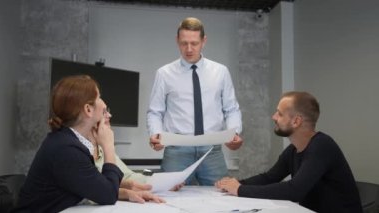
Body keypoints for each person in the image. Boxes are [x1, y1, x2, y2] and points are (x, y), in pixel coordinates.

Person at [215, 91, 363, 213]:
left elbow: (294, 190)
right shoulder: (294, 149)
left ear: (296, 121)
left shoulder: (322, 146)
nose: (273, 117)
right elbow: (270, 177)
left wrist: (241, 190)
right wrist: (235, 184)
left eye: (279, 114)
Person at [147, 17, 243, 186]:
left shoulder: (221, 72)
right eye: (184, 43)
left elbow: (231, 109)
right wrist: (155, 134)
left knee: (222, 197)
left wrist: (234, 132)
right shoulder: (164, 73)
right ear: (177, 41)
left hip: (212, 150)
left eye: (194, 43)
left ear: (203, 41)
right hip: (177, 151)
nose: (189, 49)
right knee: (168, 198)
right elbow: (155, 111)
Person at [13, 75, 123, 212]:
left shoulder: (65, 141)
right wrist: (108, 146)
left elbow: (95, 186)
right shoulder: (66, 150)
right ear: (88, 109)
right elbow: (109, 194)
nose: (104, 104)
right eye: (99, 97)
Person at [91, 109, 165, 203]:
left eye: (108, 111)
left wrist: (162, 182)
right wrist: (108, 145)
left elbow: (128, 176)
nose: (109, 115)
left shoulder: (100, 149)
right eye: (104, 112)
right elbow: (93, 189)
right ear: (88, 112)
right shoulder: (76, 151)